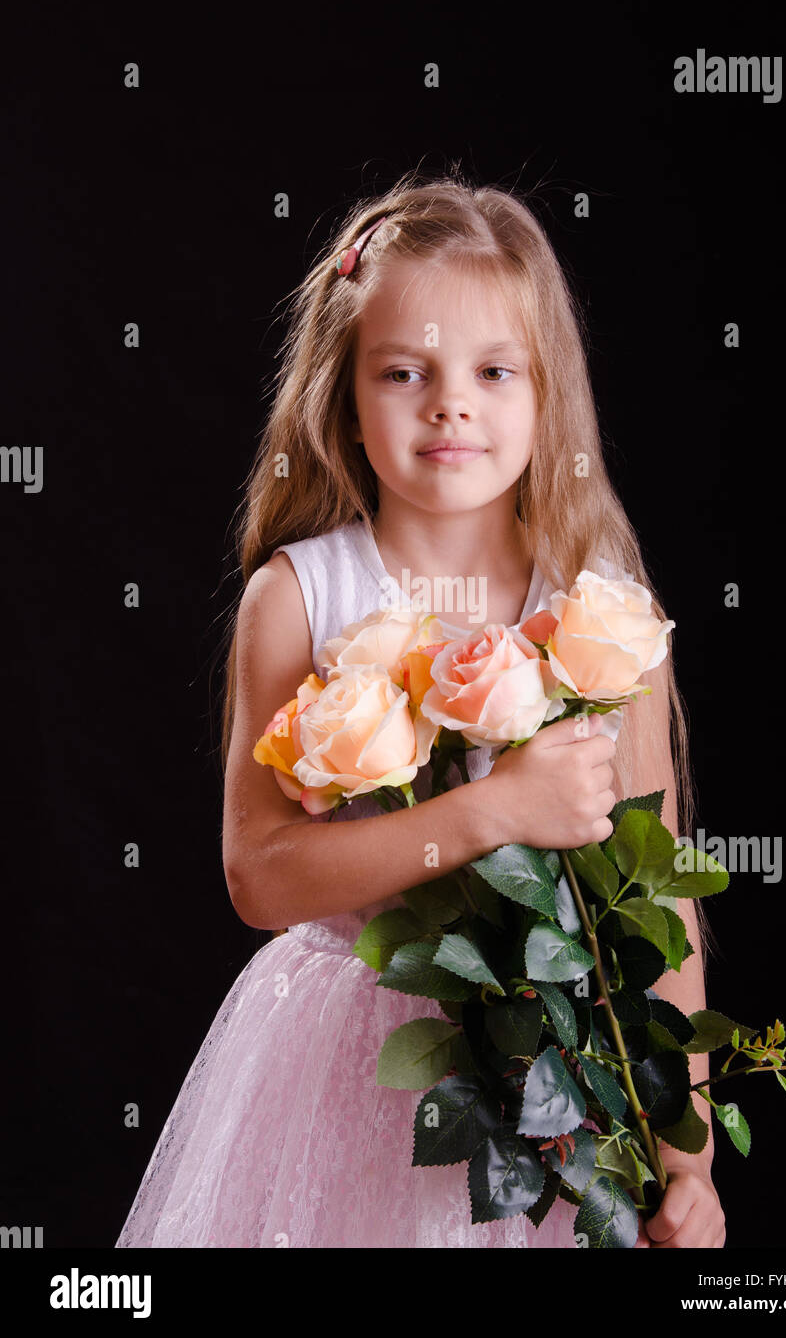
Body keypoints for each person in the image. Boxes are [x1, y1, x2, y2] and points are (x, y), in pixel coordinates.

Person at [115, 169, 725, 1248]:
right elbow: (260, 875)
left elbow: (656, 902)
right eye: (405, 371)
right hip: (332, 1067)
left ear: (547, 394)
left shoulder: (598, 616)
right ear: (344, 393)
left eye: (494, 370)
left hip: (551, 1064)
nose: (451, 402)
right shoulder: (303, 599)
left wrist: (687, 1153)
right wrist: (491, 813)